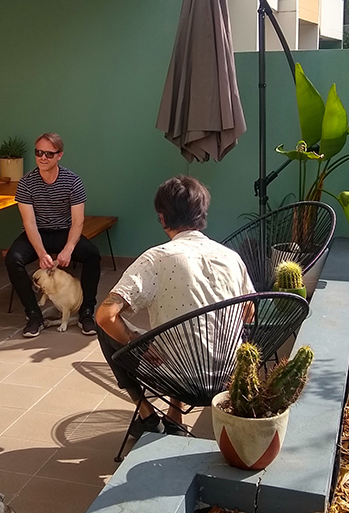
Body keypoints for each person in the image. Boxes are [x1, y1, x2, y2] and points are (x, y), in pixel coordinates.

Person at [95, 176, 254, 437]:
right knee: (184, 326)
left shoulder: (155, 260)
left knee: (105, 327)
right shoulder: (231, 257)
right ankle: (174, 415)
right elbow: (248, 314)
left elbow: (106, 316)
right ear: (202, 214)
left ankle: (147, 415)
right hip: (229, 375)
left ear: (162, 217)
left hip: (180, 379)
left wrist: (140, 344)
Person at [5, 132, 101, 338]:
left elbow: (78, 222)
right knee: (13, 259)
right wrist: (41, 253)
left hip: (64, 231)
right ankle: (34, 315)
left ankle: (86, 312)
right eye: (39, 152)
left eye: (49, 154)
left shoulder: (72, 181)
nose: (43, 158)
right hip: (37, 234)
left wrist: (67, 250)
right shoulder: (26, 183)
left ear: (60, 155)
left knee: (92, 254)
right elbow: (29, 223)